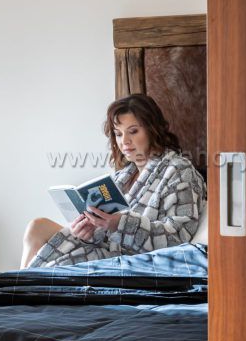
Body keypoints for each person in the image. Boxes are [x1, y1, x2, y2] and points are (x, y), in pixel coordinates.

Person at [22, 94, 206, 268]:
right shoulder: (123, 176)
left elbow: (179, 237)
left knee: (54, 262)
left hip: (132, 258)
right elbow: (105, 232)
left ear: (152, 130)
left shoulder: (179, 170)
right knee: (37, 227)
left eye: (133, 131)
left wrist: (121, 224)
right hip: (105, 247)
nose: (124, 141)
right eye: (118, 134)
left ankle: (21, 285)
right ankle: (16, 284)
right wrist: (87, 233)